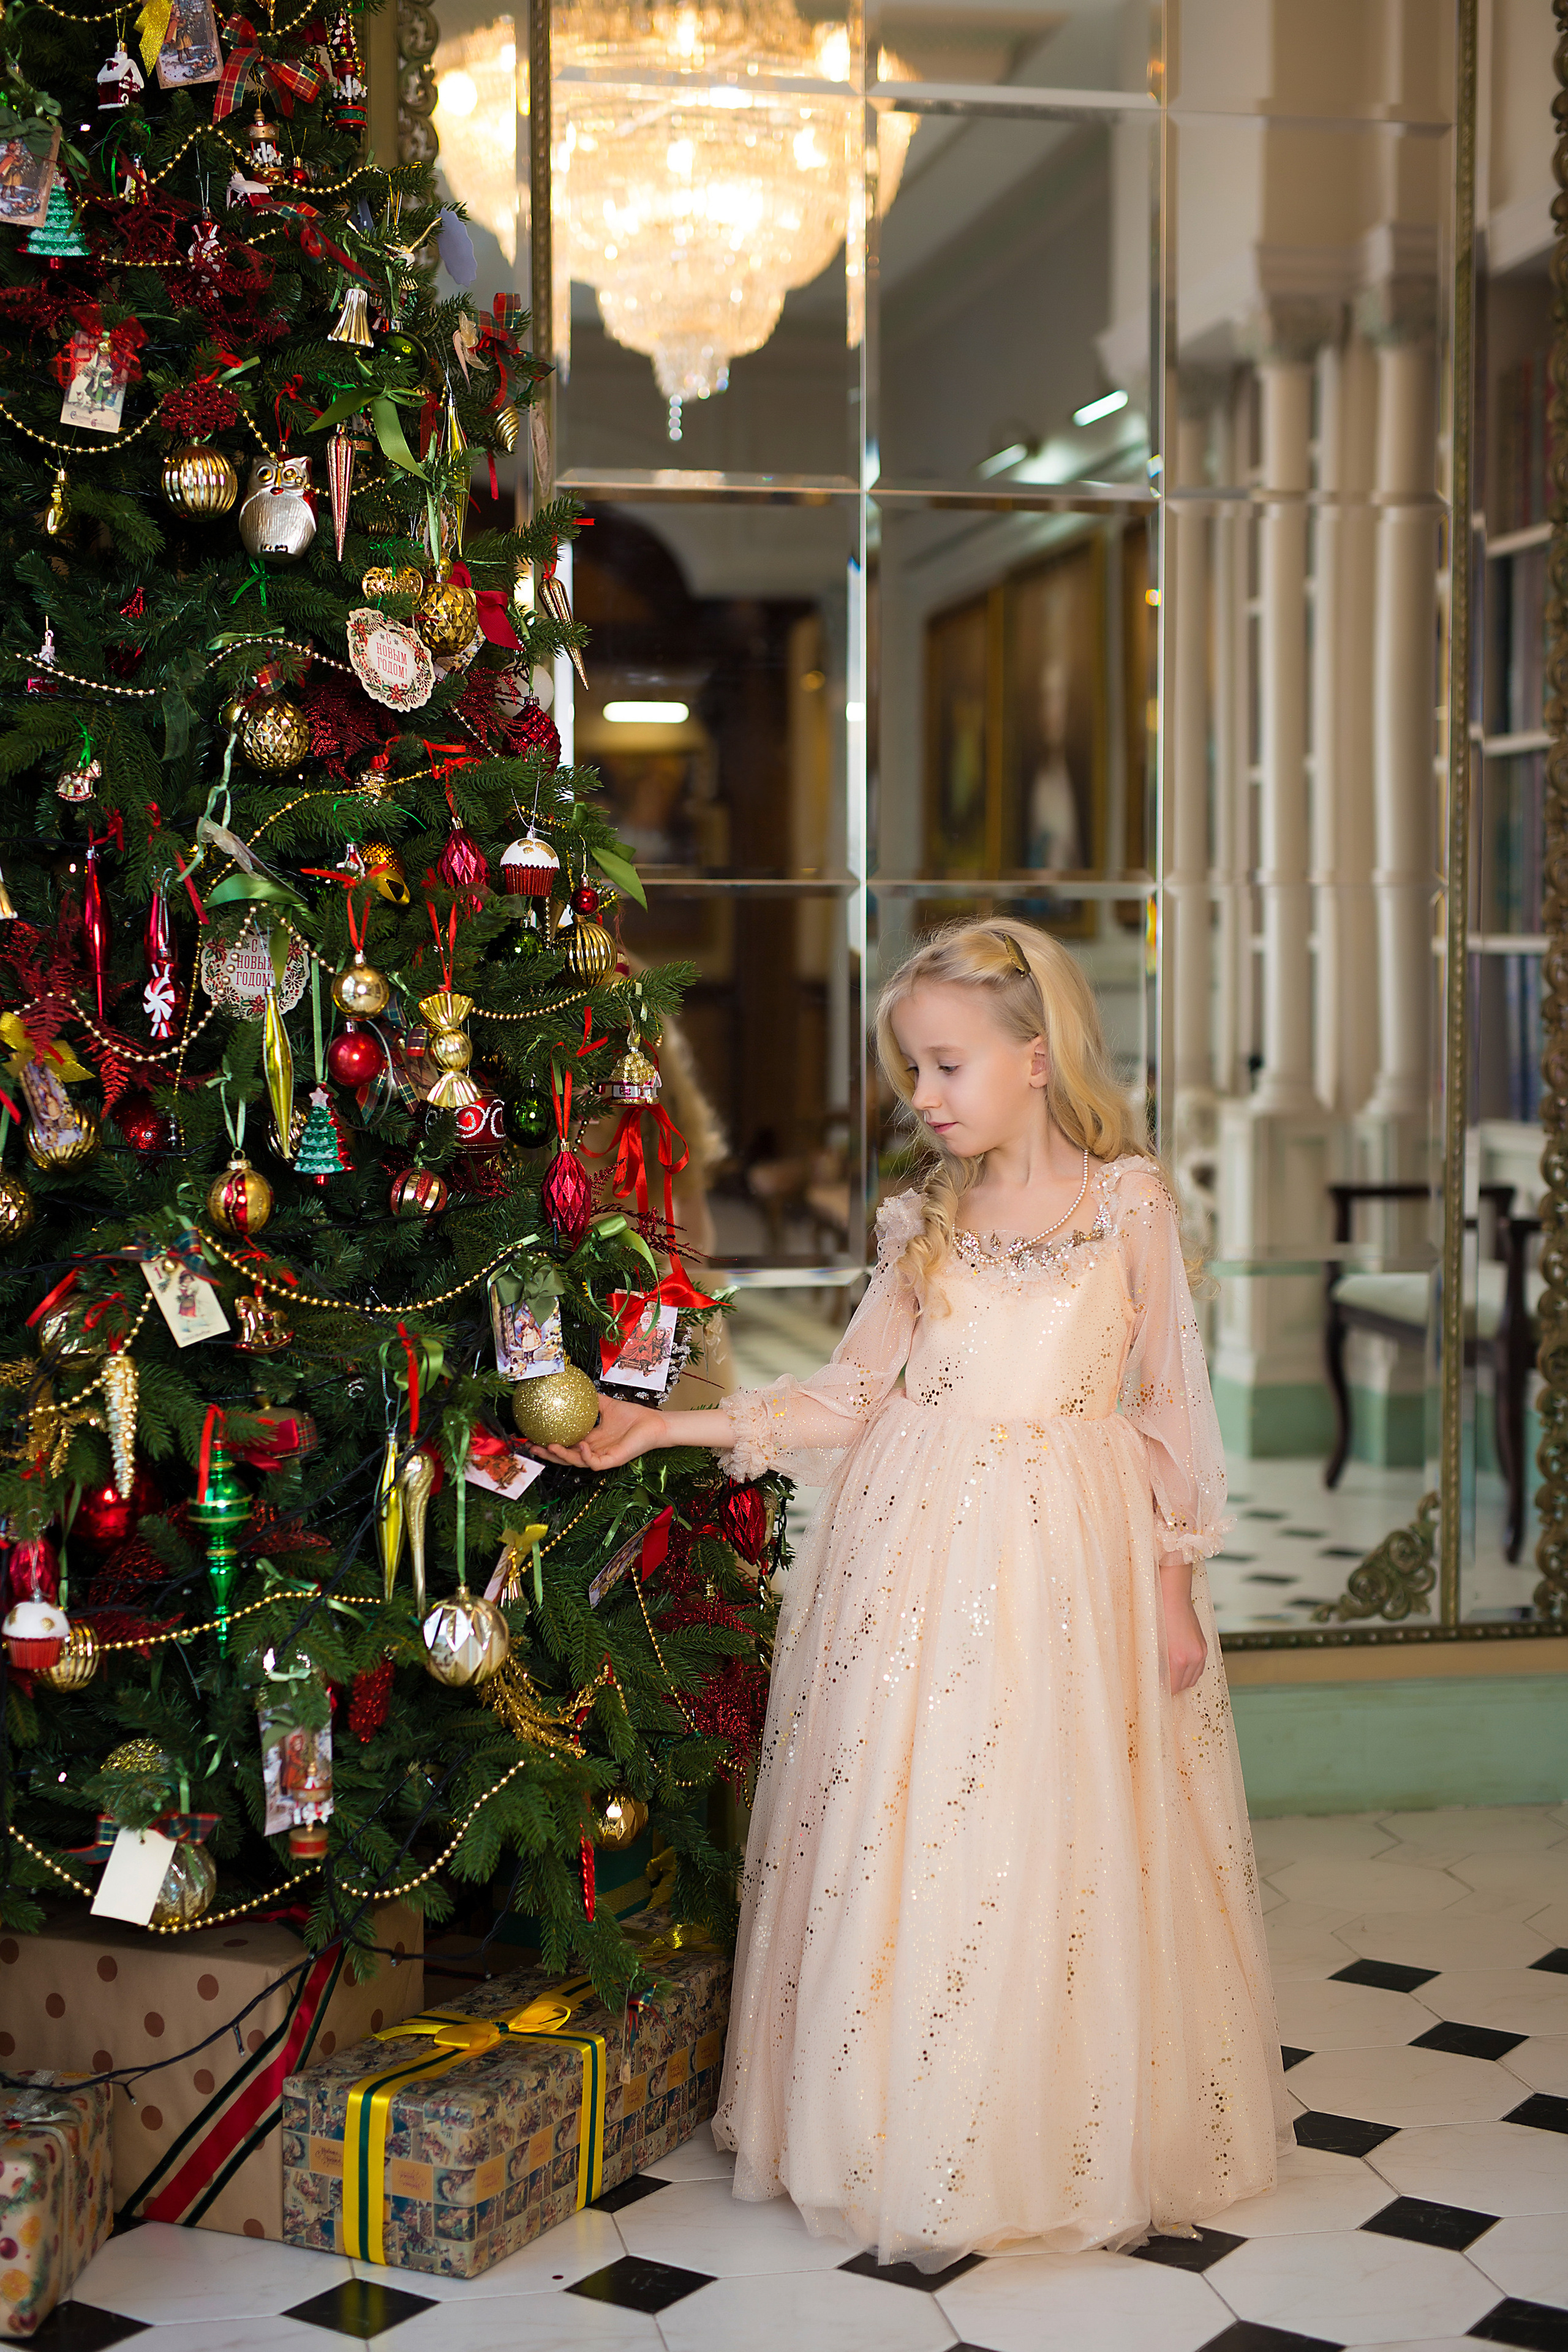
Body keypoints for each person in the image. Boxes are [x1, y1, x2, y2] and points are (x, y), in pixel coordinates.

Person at [536, 915, 1292, 2268]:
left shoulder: (1128, 1205)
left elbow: (1172, 1405)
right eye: (912, 1074)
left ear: (1036, 1055)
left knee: (1060, 1820)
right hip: (921, 1548)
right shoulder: (921, 1221)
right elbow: (845, 1397)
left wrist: (1174, 1590)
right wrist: (664, 1428)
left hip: (1074, 1546)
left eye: (945, 1067)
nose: (923, 1099)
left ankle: (1050, 2121)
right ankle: (897, 2120)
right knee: (921, 1811)